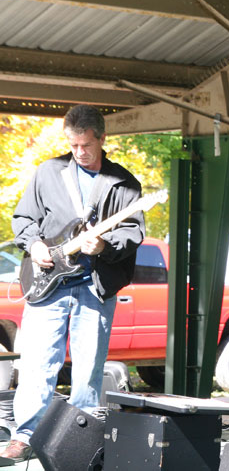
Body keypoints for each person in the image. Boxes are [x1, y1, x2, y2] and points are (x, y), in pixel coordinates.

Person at [2, 104, 144, 462]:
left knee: (89, 369)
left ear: (102, 139)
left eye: (87, 145)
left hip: (94, 286)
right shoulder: (49, 171)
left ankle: (82, 438)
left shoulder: (124, 182)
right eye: (74, 144)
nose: (80, 152)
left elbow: (135, 231)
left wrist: (104, 244)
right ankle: (25, 436)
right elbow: (24, 218)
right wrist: (34, 245)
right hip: (48, 284)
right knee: (37, 363)